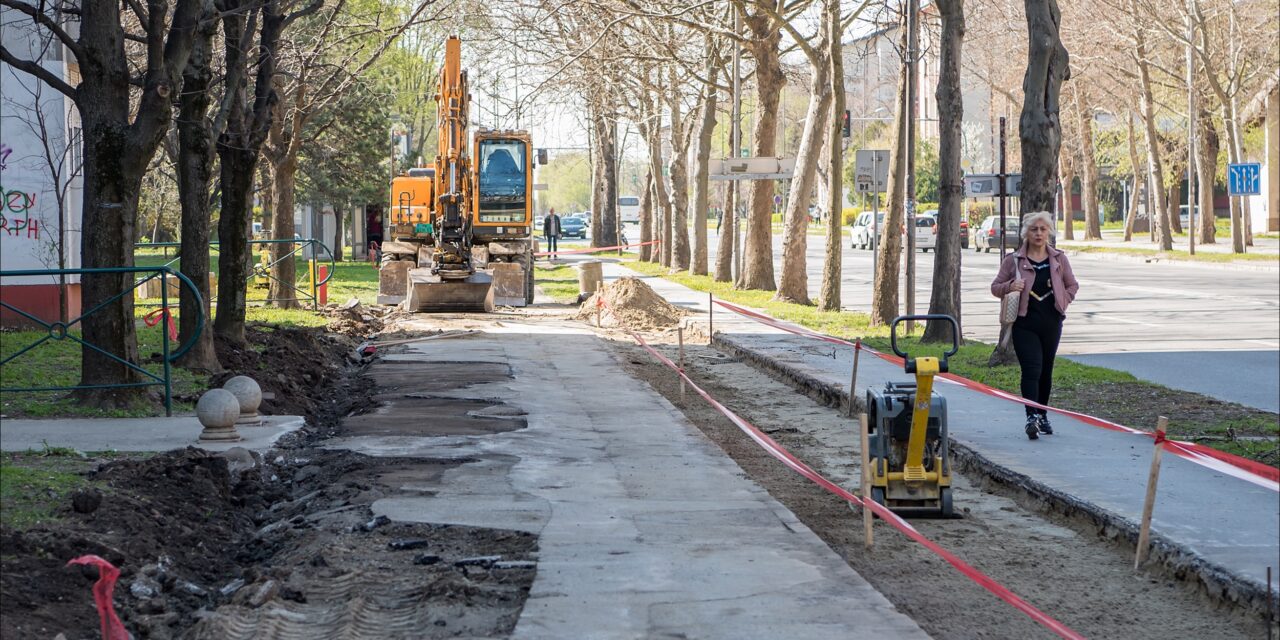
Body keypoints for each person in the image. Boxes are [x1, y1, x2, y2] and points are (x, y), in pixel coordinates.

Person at [990, 211, 1080, 440]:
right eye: (1034, 229)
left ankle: (1043, 414)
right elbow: (995, 287)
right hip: (1024, 323)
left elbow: (1073, 285)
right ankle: (1031, 416)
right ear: (1026, 234)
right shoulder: (1014, 261)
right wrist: (1011, 285)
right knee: (1032, 369)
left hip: (1051, 322)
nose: (1039, 233)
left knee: (1046, 370)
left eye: (1043, 229)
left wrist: (1063, 301)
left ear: (1049, 232)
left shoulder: (1059, 259)